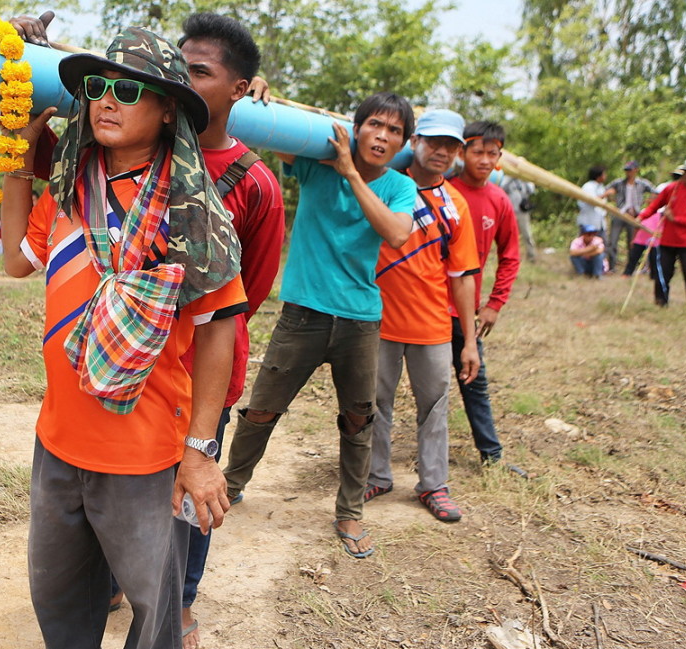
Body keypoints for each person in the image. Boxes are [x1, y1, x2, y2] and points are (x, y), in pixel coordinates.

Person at [0, 27, 248, 649]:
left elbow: (220, 334)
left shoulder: (191, 211)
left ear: (167, 110)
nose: (107, 100)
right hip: (57, 439)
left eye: (129, 90)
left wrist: (199, 452)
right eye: (97, 87)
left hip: (147, 453)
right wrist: (15, 161)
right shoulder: (67, 189)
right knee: (58, 598)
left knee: (155, 610)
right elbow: (13, 262)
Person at [222, 91, 417, 558]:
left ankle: (350, 512)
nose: (382, 136)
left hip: (360, 320)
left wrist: (351, 173)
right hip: (303, 313)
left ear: (402, 142)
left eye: (394, 130)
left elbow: (394, 232)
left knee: (358, 418)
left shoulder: (398, 187)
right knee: (263, 408)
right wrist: (254, 90)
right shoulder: (315, 163)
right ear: (356, 128)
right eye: (375, 124)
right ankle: (230, 485)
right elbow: (257, 129)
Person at [174, 13, 285, 648]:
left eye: (201, 72)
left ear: (240, 88)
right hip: (136, 361)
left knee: (194, 489)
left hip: (207, 370)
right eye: (179, 67)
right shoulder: (146, 149)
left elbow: (254, 290)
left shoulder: (256, 183)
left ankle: (183, 602)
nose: (185, 83)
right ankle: (118, 577)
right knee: (131, 479)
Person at [364, 109, 480, 523]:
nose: (442, 152)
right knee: (373, 402)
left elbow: (462, 278)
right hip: (376, 319)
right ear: (414, 142)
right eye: (434, 142)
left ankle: (434, 485)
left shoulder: (456, 206)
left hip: (431, 325)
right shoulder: (384, 184)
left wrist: (468, 341)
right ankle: (375, 473)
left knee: (434, 407)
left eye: (451, 146)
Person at [449, 121, 521, 464]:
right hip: (426, 306)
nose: (484, 159)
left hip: (465, 312)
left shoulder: (499, 200)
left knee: (474, 381)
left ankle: (492, 456)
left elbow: (510, 255)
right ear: (461, 152)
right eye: (477, 151)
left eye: (492, 153)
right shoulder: (442, 189)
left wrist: (494, 303)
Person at [637, 157, 686, 315]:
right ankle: (660, 302)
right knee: (663, 273)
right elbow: (654, 205)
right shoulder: (672, 189)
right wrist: (641, 216)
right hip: (668, 239)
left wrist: (675, 219)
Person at [605, 160, 654, 270]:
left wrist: (649, 200)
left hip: (634, 216)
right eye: (626, 170)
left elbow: (656, 191)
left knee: (632, 243)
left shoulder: (642, 183)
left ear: (636, 170)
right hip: (620, 214)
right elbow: (607, 189)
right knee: (612, 241)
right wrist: (611, 194)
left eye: (630, 170)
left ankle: (630, 267)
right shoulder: (618, 183)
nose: (628, 173)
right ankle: (611, 267)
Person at [501, 175, 537, 262]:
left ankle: (531, 256)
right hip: (510, 211)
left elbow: (531, 190)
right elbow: (502, 187)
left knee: (527, 234)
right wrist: (512, 177)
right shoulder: (507, 178)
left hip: (522, 212)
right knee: (510, 235)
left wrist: (524, 179)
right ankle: (509, 256)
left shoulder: (526, 180)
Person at [577, 165, 615, 235]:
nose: (606, 176)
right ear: (599, 176)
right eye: (604, 174)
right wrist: (605, 194)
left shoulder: (601, 187)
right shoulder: (588, 187)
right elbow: (592, 201)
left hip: (599, 223)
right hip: (588, 222)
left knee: (602, 244)